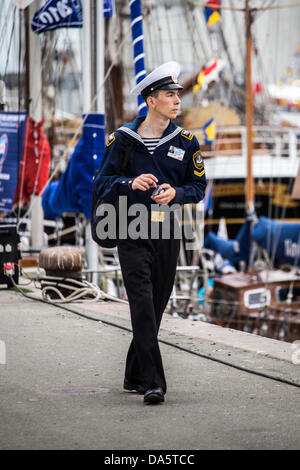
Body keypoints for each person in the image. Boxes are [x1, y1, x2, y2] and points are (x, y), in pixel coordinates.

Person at [94, 62, 206, 404]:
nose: (176, 101)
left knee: (155, 306)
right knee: (141, 304)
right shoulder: (123, 140)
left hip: (168, 232)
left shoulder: (186, 142)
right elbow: (101, 184)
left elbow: (198, 186)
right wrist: (130, 183)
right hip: (130, 229)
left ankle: (132, 374)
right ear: (151, 101)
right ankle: (154, 383)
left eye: (177, 95)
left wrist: (177, 193)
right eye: (169, 95)